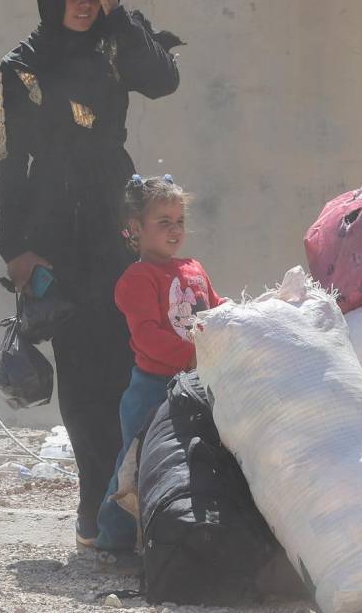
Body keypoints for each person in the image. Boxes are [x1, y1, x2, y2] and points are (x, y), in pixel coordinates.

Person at [0, 0, 182, 547]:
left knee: (133, 363)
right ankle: (94, 508)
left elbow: (163, 80)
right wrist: (14, 248)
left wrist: (118, 14)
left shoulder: (117, 43)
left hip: (117, 224)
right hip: (56, 236)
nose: (82, 2)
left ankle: (134, 504)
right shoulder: (21, 65)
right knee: (81, 376)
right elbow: (7, 161)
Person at [95, 174, 221, 553]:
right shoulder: (137, 278)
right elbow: (148, 338)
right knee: (135, 462)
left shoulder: (194, 269)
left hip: (196, 382)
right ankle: (112, 538)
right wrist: (197, 354)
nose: (174, 229)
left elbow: (216, 310)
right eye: (163, 222)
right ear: (135, 228)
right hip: (153, 387)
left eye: (179, 221)